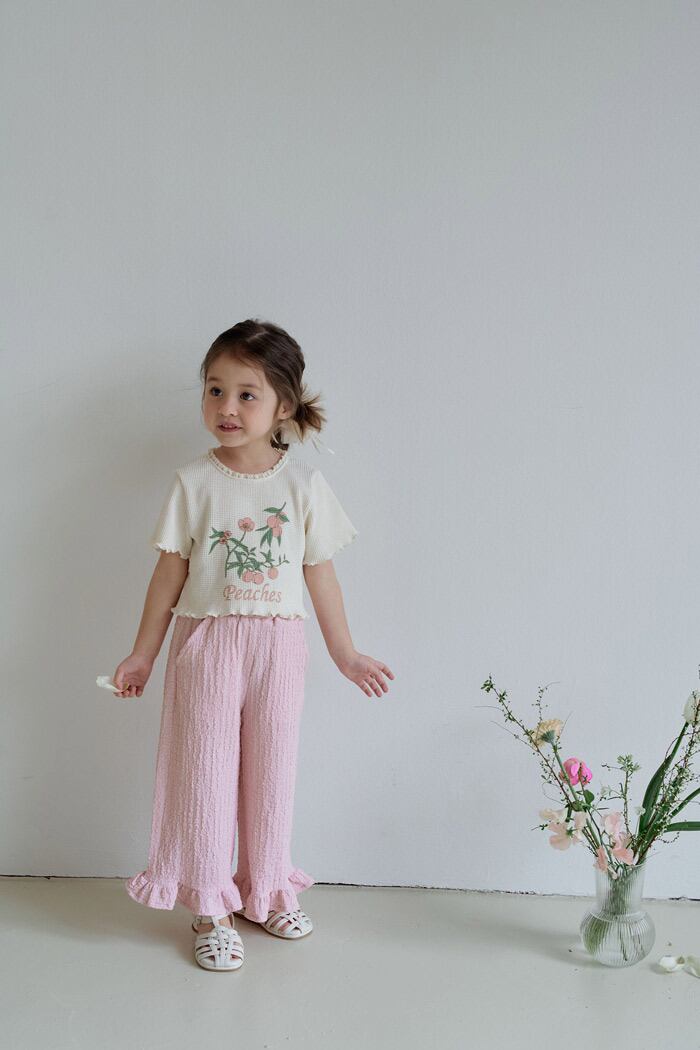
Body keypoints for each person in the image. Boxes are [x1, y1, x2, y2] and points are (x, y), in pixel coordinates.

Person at [114, 319, 395, 971]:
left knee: (272, 772)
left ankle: (264, 891)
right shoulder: (193, 482)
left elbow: (320, 573)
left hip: (279, 647)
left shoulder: (303, 486)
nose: (227, 407)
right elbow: (169, 574)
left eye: (247, 394)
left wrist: (346, 653)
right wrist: (142, 654)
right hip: (207, 644)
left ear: (284, 406)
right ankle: (211, 907)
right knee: (205, 774)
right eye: (215, 390)